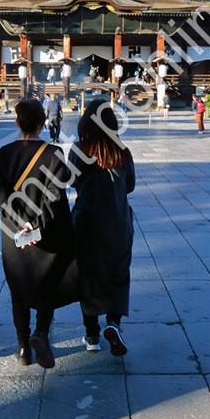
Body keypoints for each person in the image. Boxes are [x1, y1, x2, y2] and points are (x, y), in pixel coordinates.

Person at [0, 99, 79, 369]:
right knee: (47, 282)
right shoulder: (54, 154)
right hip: (47, 232)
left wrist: (20, 220)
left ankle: (22, 347)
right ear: (43, 123)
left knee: (18, 287)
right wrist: (37, 222)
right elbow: (56, 194)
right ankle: (40, 332)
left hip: (14, 233)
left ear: (18, 122)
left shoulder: (4, 154)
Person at [69, 101, 136, 356]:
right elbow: (129, 186)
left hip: (86, 222)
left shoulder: (79, 149)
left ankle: (91, 334)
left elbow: (71, 180)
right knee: (118, 273)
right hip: (118, 222)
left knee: (88, 275)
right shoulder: (122, 151)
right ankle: (113, 323)